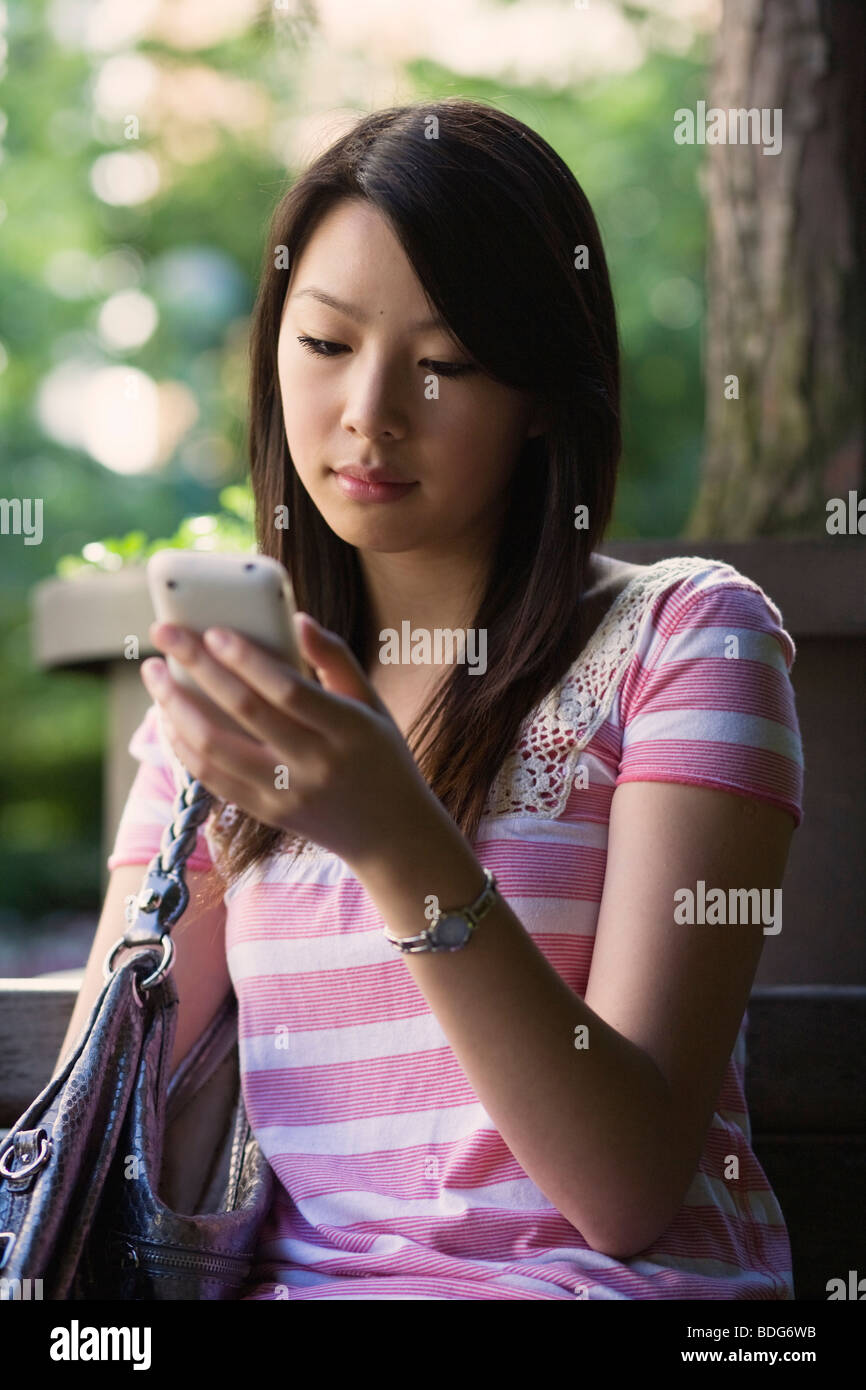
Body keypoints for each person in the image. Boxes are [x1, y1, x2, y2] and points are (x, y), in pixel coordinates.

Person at [57, 98, 804, 1300]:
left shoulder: (686, 640)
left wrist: (396, 838)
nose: (369, 413)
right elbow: (106, 1106)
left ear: (545, 393)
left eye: (443, 363)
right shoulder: (231, 705)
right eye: (324, 344)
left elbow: (621, 1189)